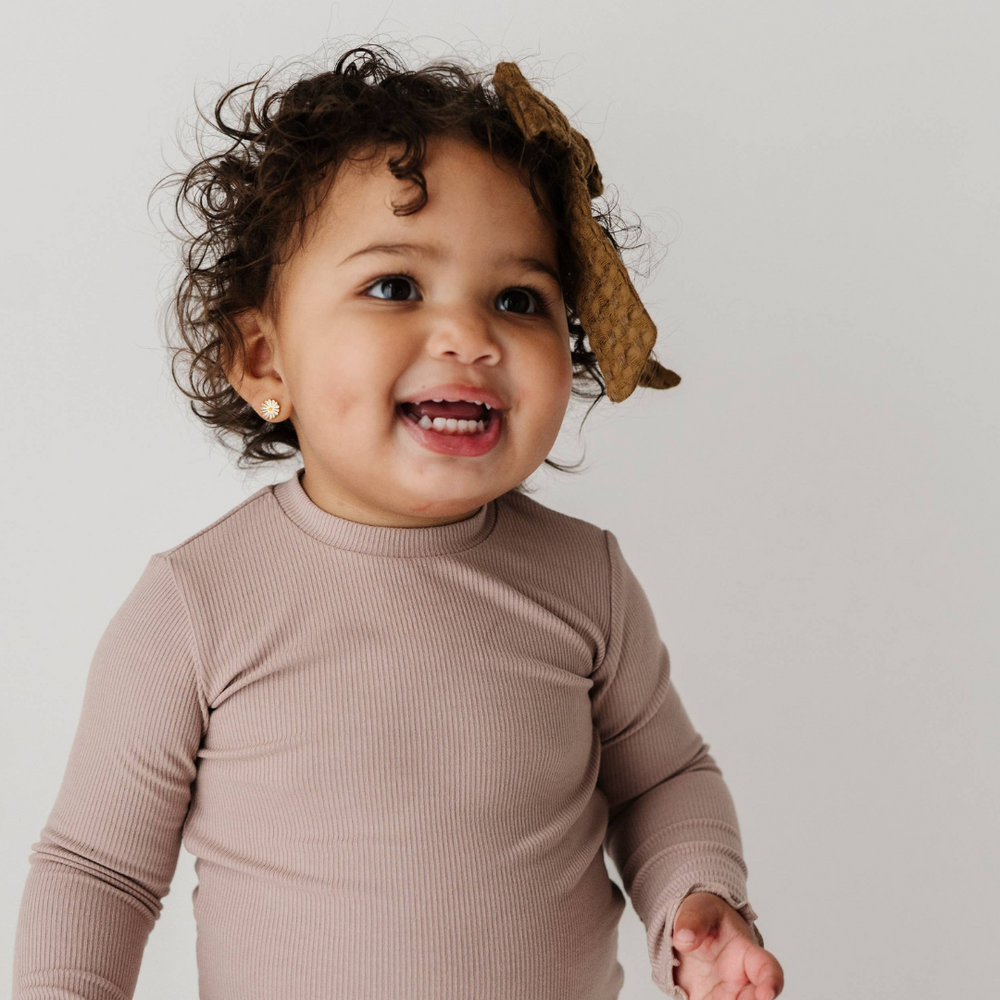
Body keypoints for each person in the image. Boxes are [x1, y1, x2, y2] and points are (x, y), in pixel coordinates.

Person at [11, 42, 785, 1000]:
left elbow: (662, 781)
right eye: (394, 287)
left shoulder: (586, 581)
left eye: (518, 298)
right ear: (263, 361)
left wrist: (697, 898)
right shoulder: (196, 606)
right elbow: (99, 869)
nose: (469, 335)